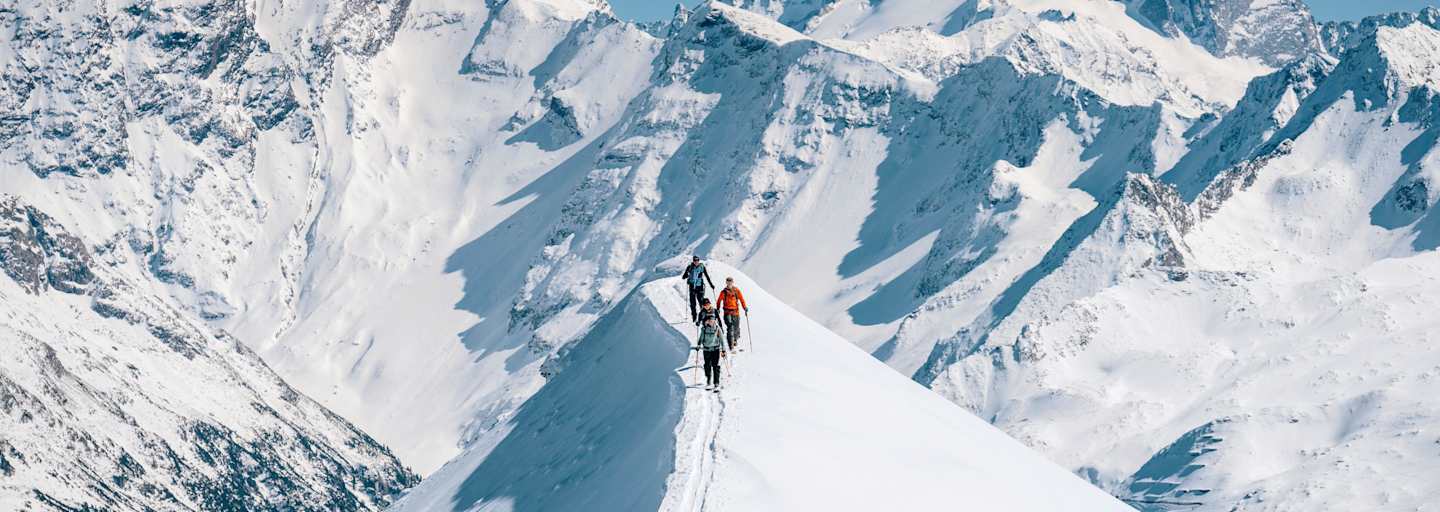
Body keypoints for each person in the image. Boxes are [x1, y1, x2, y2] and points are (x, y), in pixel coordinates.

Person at [716, 277, 748, 351]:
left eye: (730, 282)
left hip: (736, 312)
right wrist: (718, 308)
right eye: (728, 282)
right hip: (727, 312)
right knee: (730, 327)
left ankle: (735, 339)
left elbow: (742, 300)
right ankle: (730, 344)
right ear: (726, 283)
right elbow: (719, 301)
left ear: (733, 282)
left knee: (736, 328)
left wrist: (745, 307)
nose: (729, 283)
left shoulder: (736, 291)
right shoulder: (723, 292)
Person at [681, 255, 715, 322]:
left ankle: (703, 317)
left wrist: (711, 285)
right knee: (693, 303)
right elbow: (683, 277)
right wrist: (687, 275)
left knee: (702, 303)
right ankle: (694, 317)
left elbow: (707, 276)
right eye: (695, 260)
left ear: (699, 261)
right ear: (693, 261)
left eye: (697, 260)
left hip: (700, 287)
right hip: (692, 287)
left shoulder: (702, 267)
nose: (696, 262)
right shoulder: (689, 267)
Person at [698, 315, 727, 391]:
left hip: (715, 349)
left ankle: (716, 382)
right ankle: (708, 379)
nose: (711, 322)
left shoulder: (717, 329)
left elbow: (722, 339)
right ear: (707, 321)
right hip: (706, 349)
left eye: (713, 320)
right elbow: (701, 338)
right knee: (707, 365)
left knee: (715, 366)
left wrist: (723, 349)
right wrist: (698, 345)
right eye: (710, 320)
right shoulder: (704, 329)